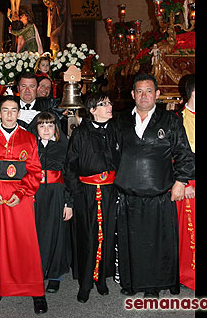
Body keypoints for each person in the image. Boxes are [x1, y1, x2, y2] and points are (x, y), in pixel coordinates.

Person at [112, 72, 195, 298]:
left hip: (159, 194)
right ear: (133, 94)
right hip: (129, 194)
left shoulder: (170, 121)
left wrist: (180, 181)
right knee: (132, 242)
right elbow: (111, 154)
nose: (144, 95)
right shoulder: (120, 121)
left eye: (149, 91)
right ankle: (131, 283)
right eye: (139, 91)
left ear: (157, 94)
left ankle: (153, 287)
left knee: (157, 244)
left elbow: (184, 154)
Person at [0, 95, 48, 314]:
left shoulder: (28, 138)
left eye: (13, 110)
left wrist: (23, 191)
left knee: (26, 242)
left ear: (19, 113)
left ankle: (36, 290)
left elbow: (35, 170)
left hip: (20, 195)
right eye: (5, 110)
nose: (9, 114)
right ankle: (0, 285)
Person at [64, 92, 119, 303]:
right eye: (104, 104)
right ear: (93, 110)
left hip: (109, 191)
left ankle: (101, 279)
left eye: (109, 102)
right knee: (87, 237)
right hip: (86, 193)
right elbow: (70, 167)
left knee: (107, 234)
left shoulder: (115, 130)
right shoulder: (81, 133)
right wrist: (76, 194)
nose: (109, 106)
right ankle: (85, 282)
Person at [29, 112, 73, 294]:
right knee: (36, 234)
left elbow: (70, 177)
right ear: (36, 128)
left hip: (57, 195)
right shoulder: (30, 147)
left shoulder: (64, 148)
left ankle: (54, 275)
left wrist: (68, 203)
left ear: (56, 128)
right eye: (42, 126)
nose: (46, 130)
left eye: (50, 125)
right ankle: (36, 271)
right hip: (35, 194)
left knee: (56, 234)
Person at [176, 74, 195, 290]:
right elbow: (176, 156)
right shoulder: (178, 120)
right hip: (189, 184)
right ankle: (189, 274)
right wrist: (186, 182)